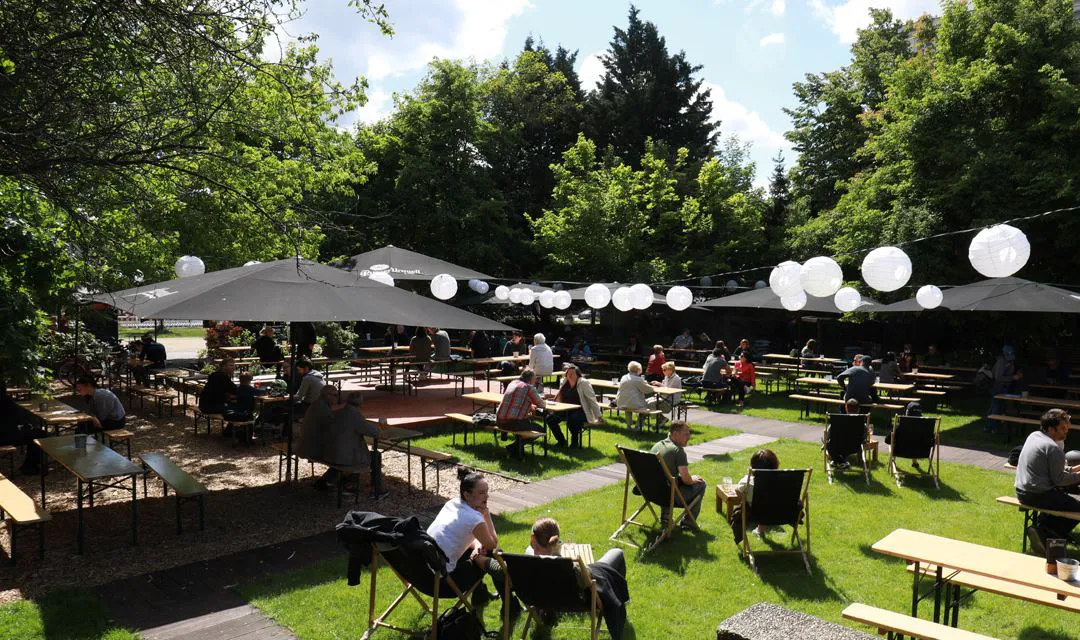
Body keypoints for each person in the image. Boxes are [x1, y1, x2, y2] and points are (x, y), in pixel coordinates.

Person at [427, 470, 517, 611]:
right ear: (467, 494)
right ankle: (510, 604)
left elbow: (458, 537)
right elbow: (493, 544)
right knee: (495, 553)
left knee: (478, 550)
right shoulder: (474, 518)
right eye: (481, 493)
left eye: (487, 491)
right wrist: (486, 515)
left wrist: (476, 545)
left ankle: (480, 593)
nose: (486, 496)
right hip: (446, 583)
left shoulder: (452, 504)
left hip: (426, 573)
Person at [1014, 409, 1080, 553]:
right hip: (1037, 494)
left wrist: (1075, 470)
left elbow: (1052, 471)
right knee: (1077, 508)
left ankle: (1042, 529)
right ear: (1051, 429)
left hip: (1021, 491)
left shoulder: (1034, 436)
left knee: (1063, 500)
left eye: (1067, 428)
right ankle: (1045, 532)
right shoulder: (1053, 447)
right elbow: (1060, 480)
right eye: (1062, 428)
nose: (1066, 431)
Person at [650, 421, 706, 531]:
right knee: (701, 484)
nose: (689, 437)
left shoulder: (658, 445)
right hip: (667, 497)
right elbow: (687, 480)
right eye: (686, 434)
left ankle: (666, 517)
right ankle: (688, 523)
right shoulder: (678, 451)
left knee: (669, 480)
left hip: (651, 493)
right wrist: (693, 479)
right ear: (675, 434)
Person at [730, 449, 781, 543]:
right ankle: (760, 529)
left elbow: (737, 491)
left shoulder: (748, 480)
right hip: (780, 513)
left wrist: (744, 497)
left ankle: (758, 530)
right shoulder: (783, 480)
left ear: (753, 466)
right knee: (766, 504)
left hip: (755, 513)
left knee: (755, 505)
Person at [545, 364, 600, 447]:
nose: (570, 375)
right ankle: (561, 441)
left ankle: (574, 442)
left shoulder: (583, 383)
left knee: (572, 420)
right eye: (568, 373)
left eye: (572, 373)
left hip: (581, 410)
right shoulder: (564, 381)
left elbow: (592, 399)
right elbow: (559, 396)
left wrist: (598, 416)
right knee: (550, 419)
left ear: (578, 374)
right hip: (565, 409)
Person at [497, 369, 546, 458]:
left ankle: (516, 450)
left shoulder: (513, 383)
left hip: (499, 421)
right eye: (535, 379)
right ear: (530, 379)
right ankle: (512, 447)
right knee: (540, 430)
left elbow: (518, 400)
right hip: (512, 423)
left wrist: (530, 405)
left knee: (524, 424)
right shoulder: (529, 388)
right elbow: (542, 405)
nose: (535, 381)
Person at [986, 344, 1023, 433]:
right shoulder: (1001, 361)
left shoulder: (1011, 361)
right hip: (998, 387)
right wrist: (1013, 377)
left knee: (1000, 407)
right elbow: (998, 377)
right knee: (995, 407)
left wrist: (1017, 372)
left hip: (1005, 387)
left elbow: (1012, 370)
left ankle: (995, 427)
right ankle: (991, 427)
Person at [616, 361, 657, 431]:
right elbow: (648, 390)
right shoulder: (638, 379)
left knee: (628, 406)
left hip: (621, 402)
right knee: (646, 407)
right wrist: (653, 386)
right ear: (638, 370)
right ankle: (638, 426)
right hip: (634, 404)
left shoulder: (624, 377)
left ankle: (628, 426)